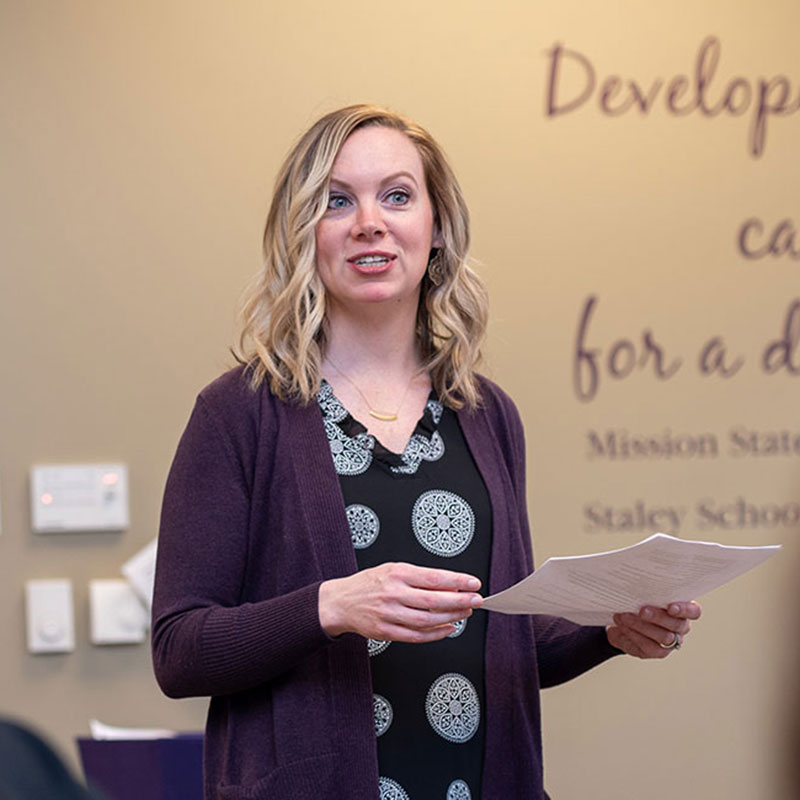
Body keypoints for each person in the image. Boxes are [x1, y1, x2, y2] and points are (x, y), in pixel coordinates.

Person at [151, 104, 701, 800]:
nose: (369, 222)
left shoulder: (485, 413)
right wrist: (331, 605)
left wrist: (612, 632)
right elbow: (178, 650)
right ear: (304, 233)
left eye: (398, 196)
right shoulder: (239, 413)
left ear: (435, 228)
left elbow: (504, 637)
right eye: (336, 201)